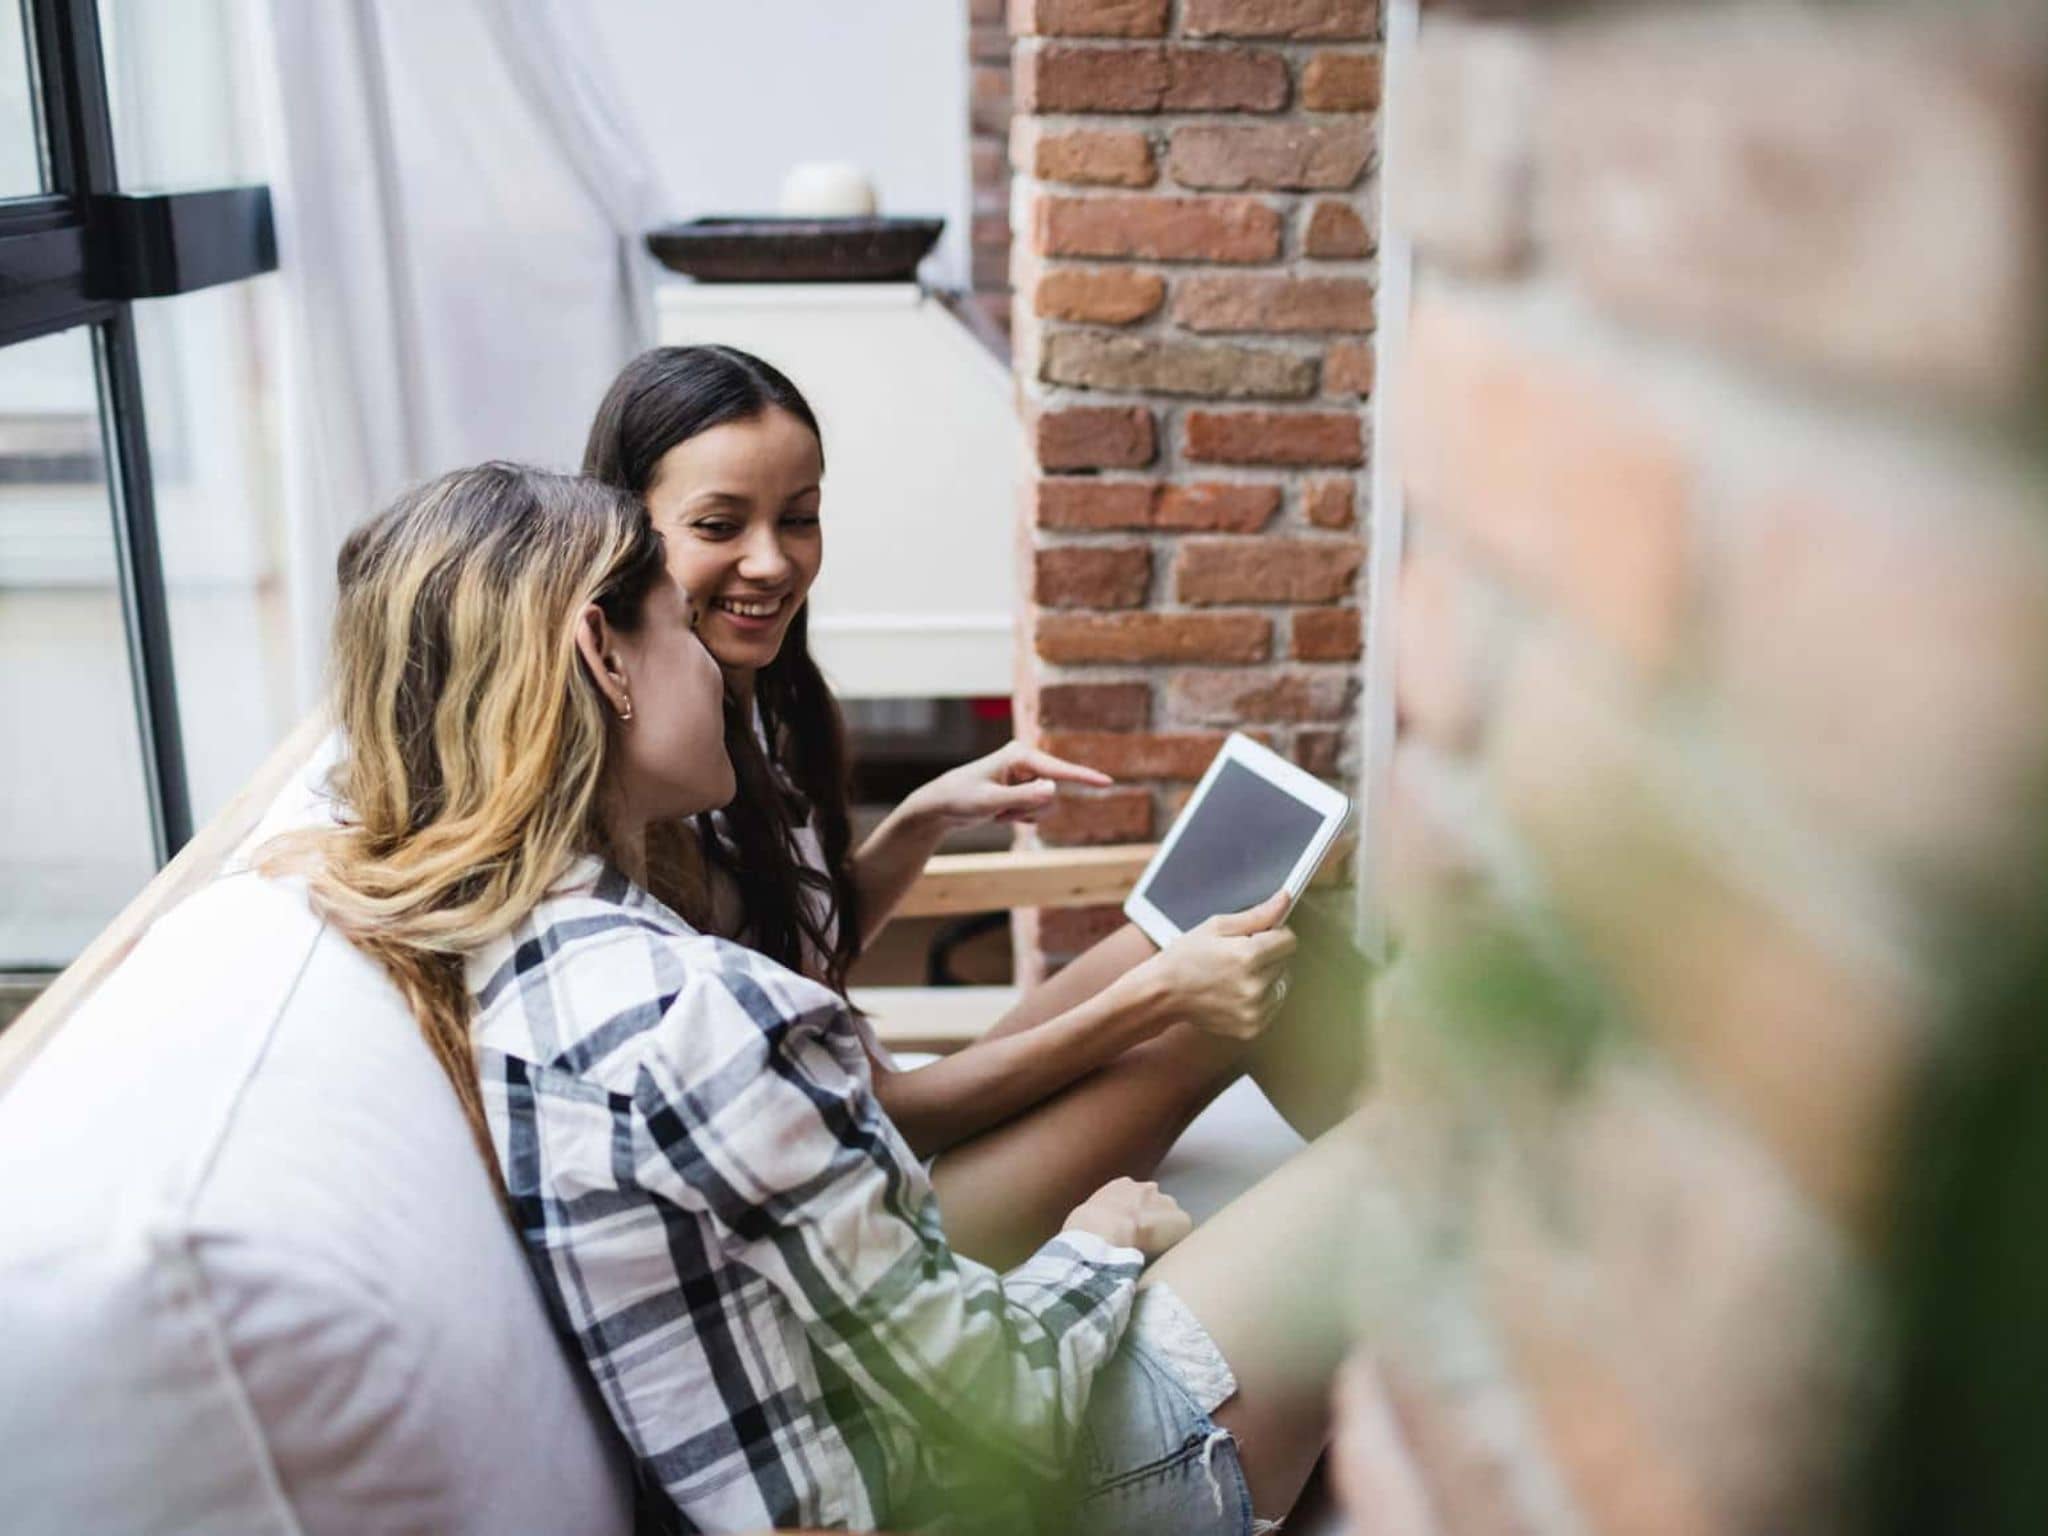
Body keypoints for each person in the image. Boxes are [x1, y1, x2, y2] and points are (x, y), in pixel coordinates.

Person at [264, 461, 1367, 1533]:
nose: (711, 651)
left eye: (800, 515)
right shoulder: (682, 1014)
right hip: (996, 1487)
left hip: (858, 1432)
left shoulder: (509, 951)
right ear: (603, 654)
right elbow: (1007, 1403)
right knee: (1432, 1144)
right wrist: (1101, 1242)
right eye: (678, 626)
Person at [582, 344, 1373, 1266]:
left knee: (1212, 931)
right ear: (626, 529)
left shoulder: (750, 696)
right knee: (1235, 984)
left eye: (799, 518)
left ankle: (1473, 1183)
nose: (771, 562)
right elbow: (885, 1109)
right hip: (856, 1223)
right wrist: (1155, 998)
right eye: (719, 525)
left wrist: (920, 818)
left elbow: (797, 939)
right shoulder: (657, 769)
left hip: (861, 1134)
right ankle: (1480, 1230)